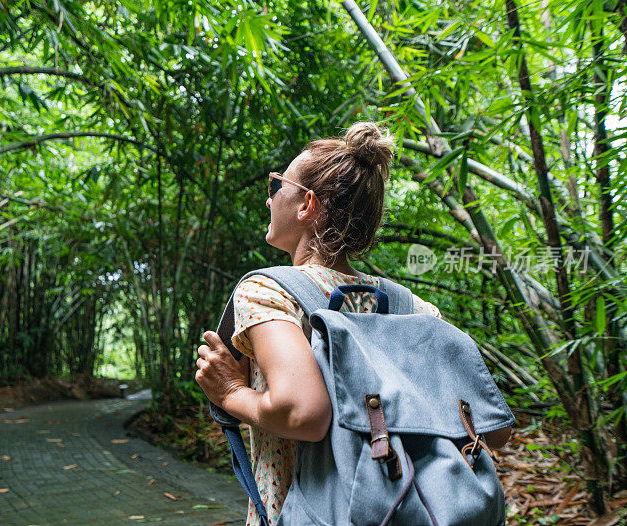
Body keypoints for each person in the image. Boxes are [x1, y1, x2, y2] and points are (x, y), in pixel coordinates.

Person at [195, 122, 510, 525]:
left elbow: (304, 414)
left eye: (276, 186)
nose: (269, 198)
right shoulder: (413, 309)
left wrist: (231, 392)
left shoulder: (268, 291)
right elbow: (494, 432)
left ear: (306, 205)